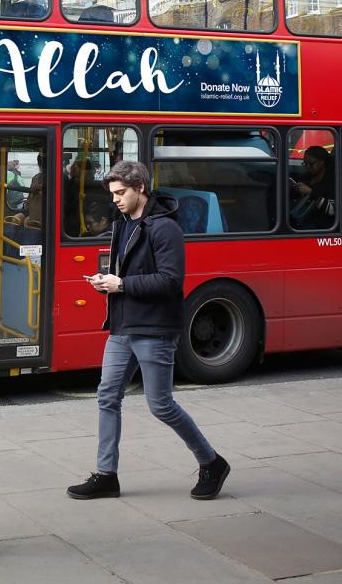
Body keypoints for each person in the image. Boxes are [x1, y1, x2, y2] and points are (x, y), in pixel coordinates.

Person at [69, 160, 230, 501]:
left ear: (140, 188)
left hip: (154, 328)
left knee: (161, 405)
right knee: (107, 395)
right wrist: (106, 283)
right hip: (123, 325)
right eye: (112, 193)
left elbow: (171, 281)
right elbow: (125, 274)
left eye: (121, 192)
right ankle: (105, 474)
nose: (115, 199)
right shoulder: (124, 224)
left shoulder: (164, 228)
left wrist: (122, 284)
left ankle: (211, 462)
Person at [290, 145, 335, 229]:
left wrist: (310, 192)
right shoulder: (306, 177)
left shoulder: (333, 181)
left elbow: (332, 210)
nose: (307, 167)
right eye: (305, 164)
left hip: (322, 225)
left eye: (311, 164)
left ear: (321, 162)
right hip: (304, 217)